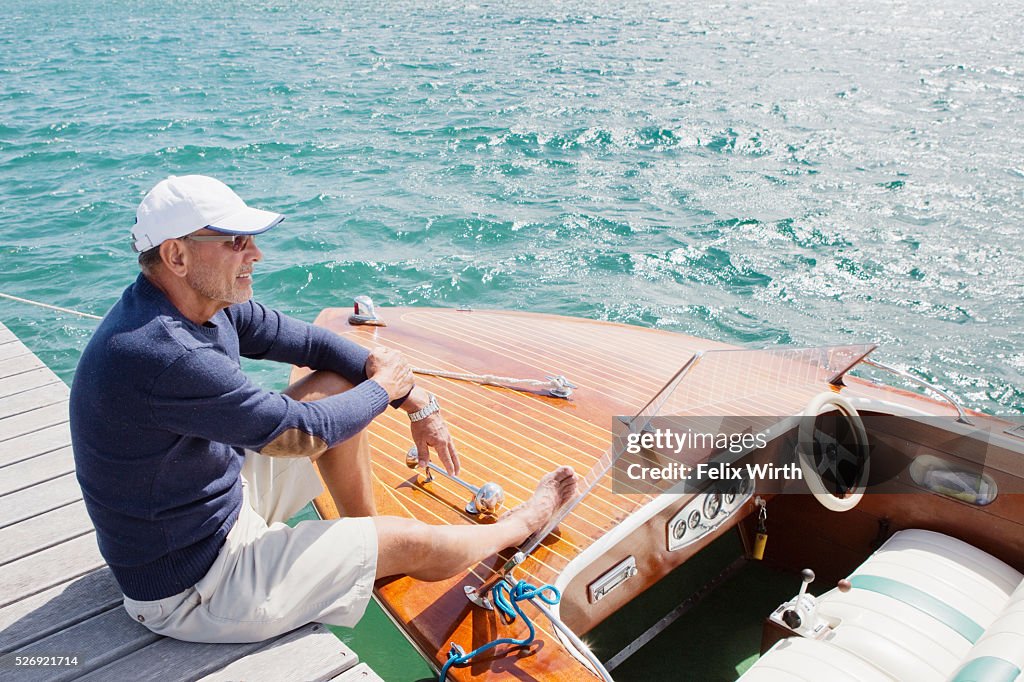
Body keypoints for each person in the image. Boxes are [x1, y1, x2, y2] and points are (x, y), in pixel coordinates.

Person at [69, 174, 577, 643]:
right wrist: (385, 388)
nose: (256, 254)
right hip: (193, 587)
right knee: (413, 537)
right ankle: (519, 524)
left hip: (214, 509)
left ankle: (365, 542)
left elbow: (310, 343)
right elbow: (299, 434)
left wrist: (410, 396)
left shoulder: (197, 304)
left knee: (336, 385)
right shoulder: (162, 352)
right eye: (235, 242)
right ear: (177, 256)